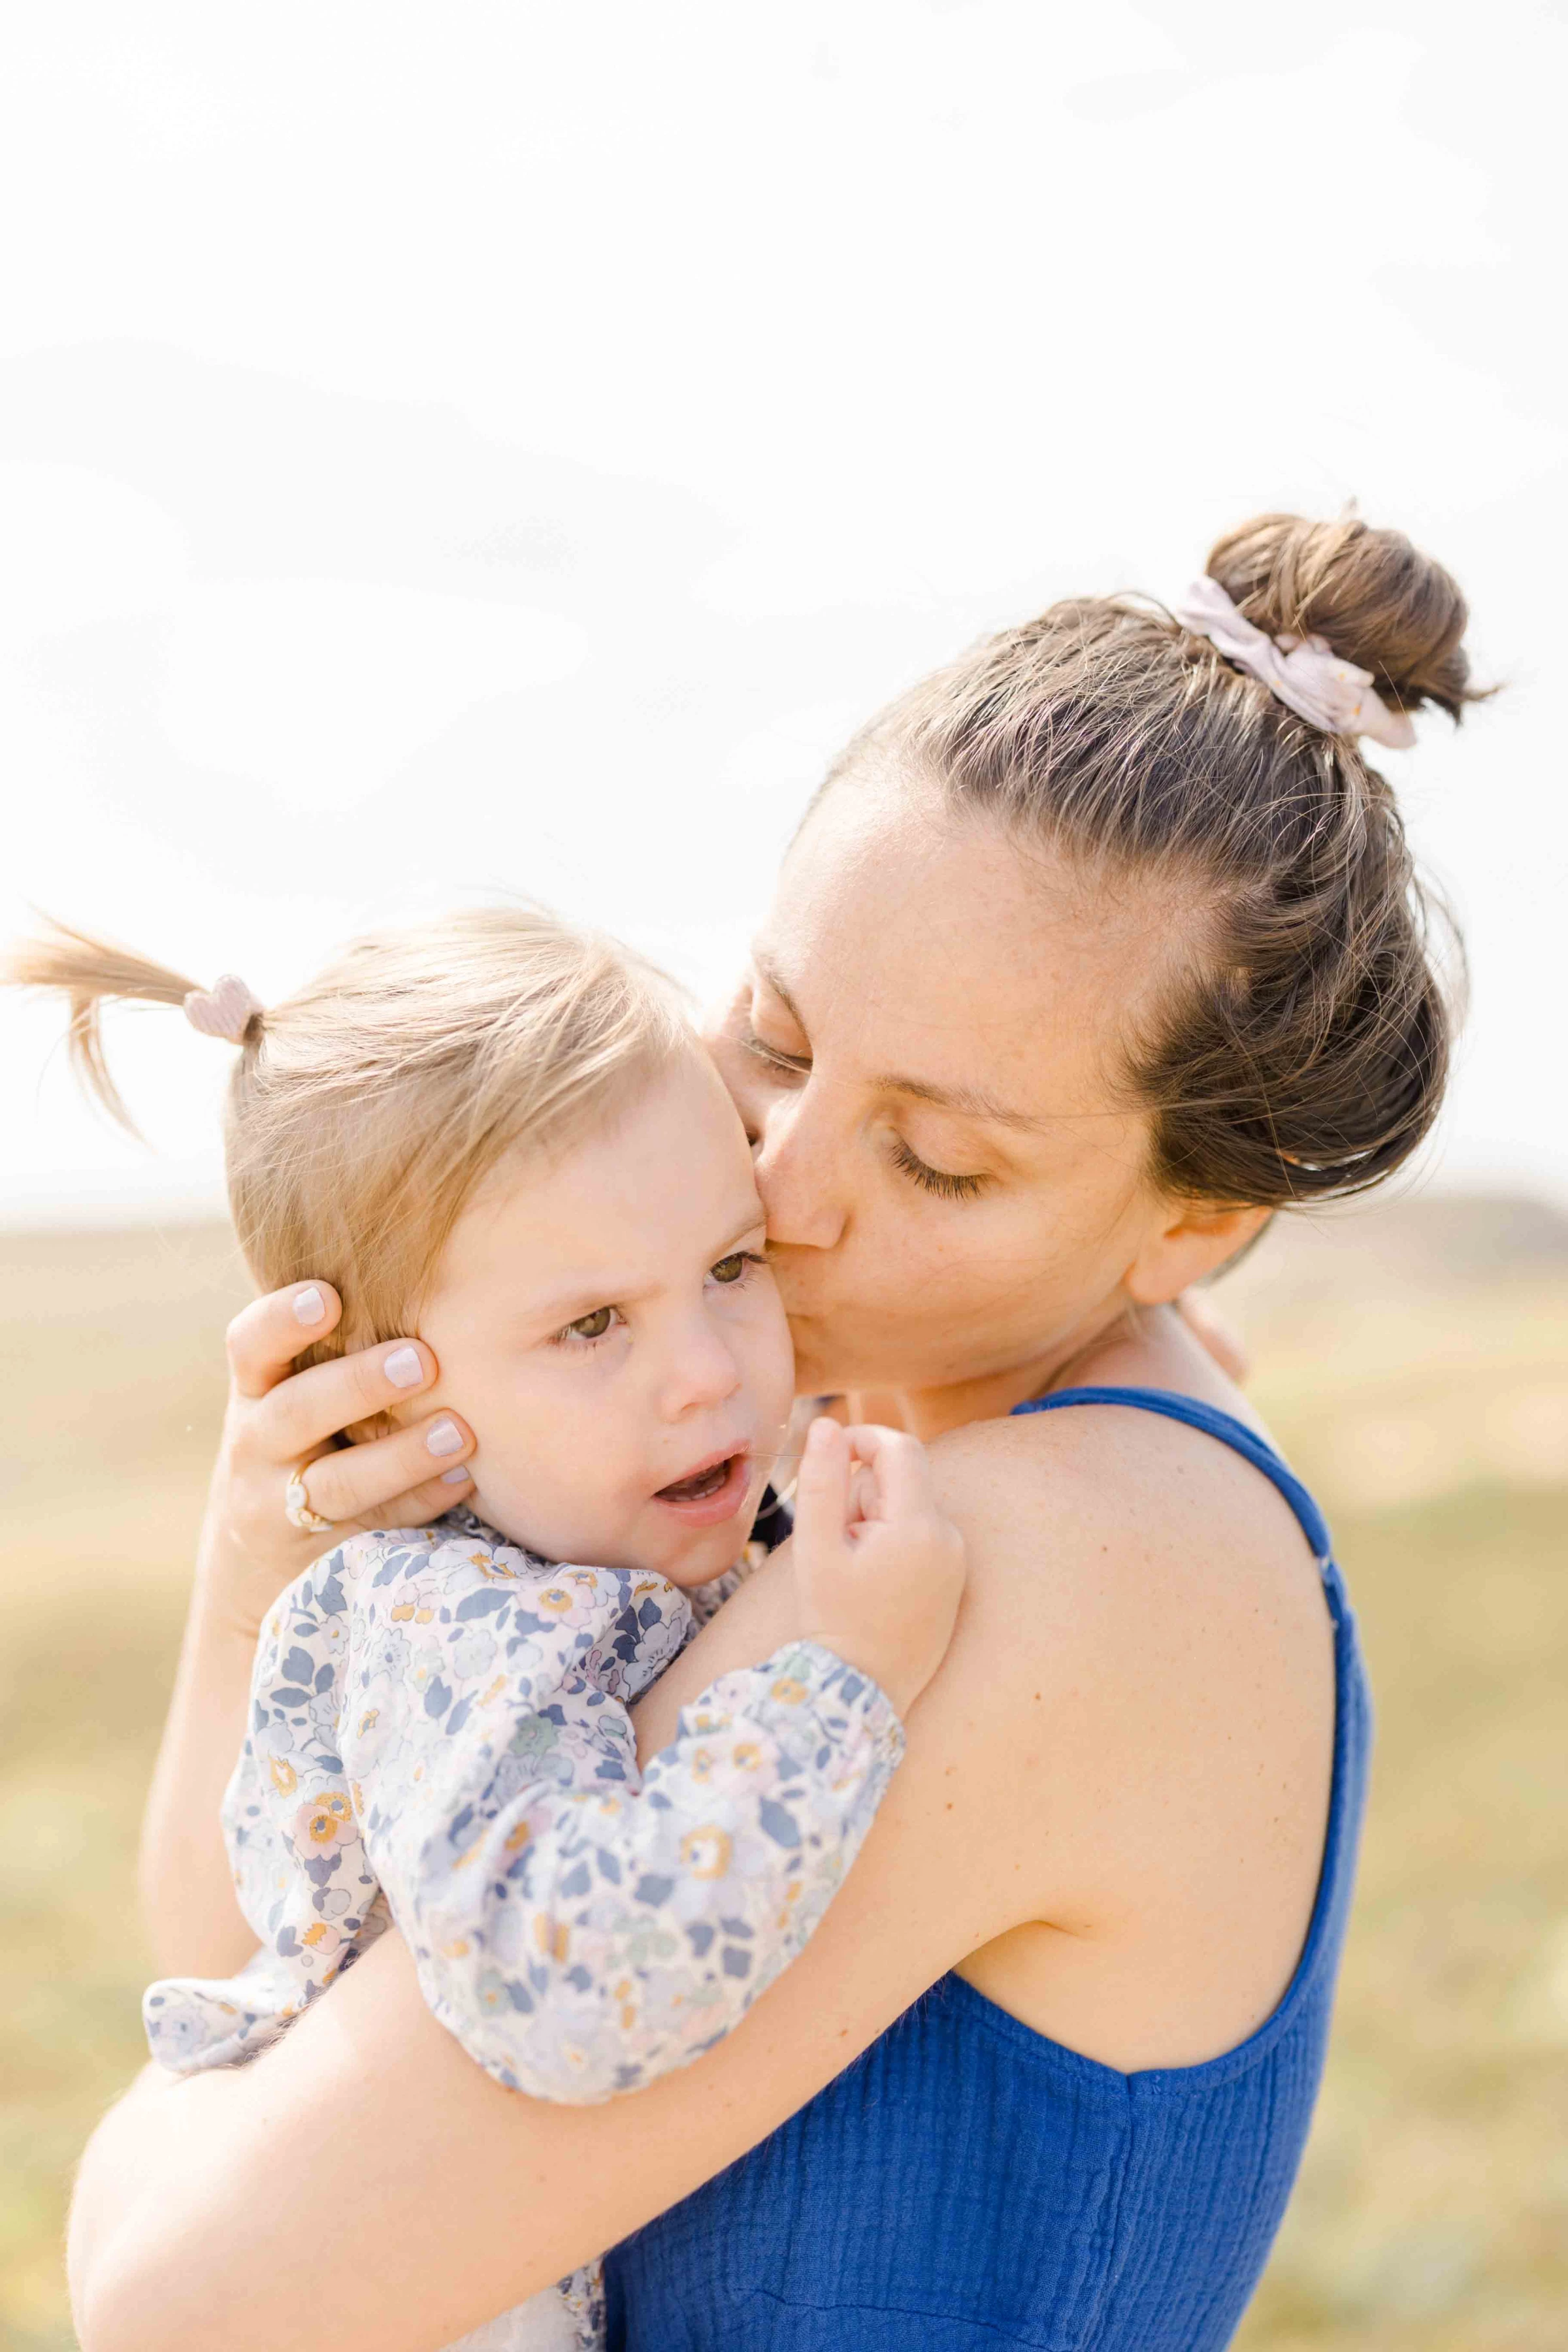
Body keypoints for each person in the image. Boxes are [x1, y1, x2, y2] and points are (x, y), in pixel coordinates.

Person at [69, 512, 1484, 2352]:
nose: (781, 1184)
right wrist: (273, 1563)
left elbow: (187, 2295)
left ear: (1196, 1226)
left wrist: (132, 2156)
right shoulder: (807, 1462)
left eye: (939, 1159)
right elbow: (252, 1943)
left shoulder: (1044, 1552)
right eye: (781, 1037)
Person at [7, 907, 963, 2350]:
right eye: (590, 1326)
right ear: (378, 1393)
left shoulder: (598, 1494)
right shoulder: (452, 1627)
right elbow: (574, 1991)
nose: (708, 1374)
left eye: (732, 1264)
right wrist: (842, 1674)